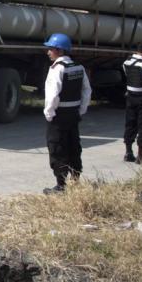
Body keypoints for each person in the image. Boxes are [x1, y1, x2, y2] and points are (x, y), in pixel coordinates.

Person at [41, 33, 91, 194]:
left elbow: (53, 94)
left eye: (50, 49)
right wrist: (81, 110)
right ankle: (75, 179)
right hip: (73, 114)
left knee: (57, 147)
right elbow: (87, 91)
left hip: (59, 115)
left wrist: (49, 113)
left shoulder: (57, 69)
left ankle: (61, 185)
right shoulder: (79, 67)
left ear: (59, 50)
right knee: (73, 146)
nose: (48, 52)